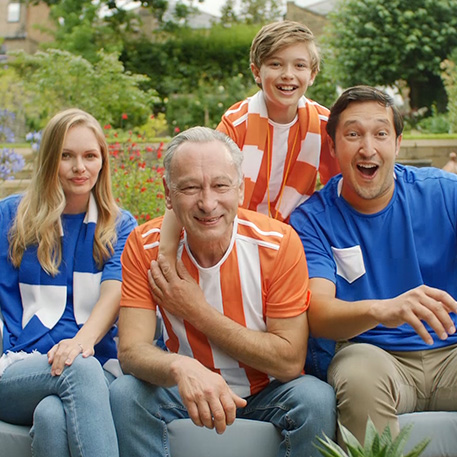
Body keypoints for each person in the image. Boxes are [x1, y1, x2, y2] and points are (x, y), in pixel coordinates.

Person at [110, 127, 336, 457]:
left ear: (240, 189)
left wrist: (197, 311)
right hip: (185, 389)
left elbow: (288, 362)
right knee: (127, 395)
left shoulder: (277, 244)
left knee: (316, 399)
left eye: (220, 185)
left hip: (268, 392)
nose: (207, 202)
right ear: (168, 194)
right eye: (189, 187)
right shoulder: (145, 246)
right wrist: (181, 368)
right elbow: (131, 350)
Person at [290, 85, 457, 445]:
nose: (368, 148)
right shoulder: (312, 220)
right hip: (376, 356)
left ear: (397, 143)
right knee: (359, 372)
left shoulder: (445, 193)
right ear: (333, 147)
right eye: (353, 134)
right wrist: (384, 310)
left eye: (381, 133)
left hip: (452, 353)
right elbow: (317, 314)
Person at [0, 108, 137, 457]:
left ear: (102, 162)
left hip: (94, 361)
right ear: (49, 160)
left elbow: (114, 294)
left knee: (51, 417)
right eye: (66, 156)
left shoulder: (120, 226)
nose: (80, 167)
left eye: (90, 156)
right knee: (80, 372)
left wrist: (78, 344)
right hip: (19, 365)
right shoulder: (11, 216)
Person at [158, 20, 340, 265]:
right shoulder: (237, 124)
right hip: (238, 236)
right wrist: (166, 253)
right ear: (256, 71)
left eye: (299, 65)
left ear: (312, 74)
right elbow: (197, 182)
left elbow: (340, 188)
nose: (288, 74)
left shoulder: (323, 124)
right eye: (275, 64)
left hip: (297, 239)